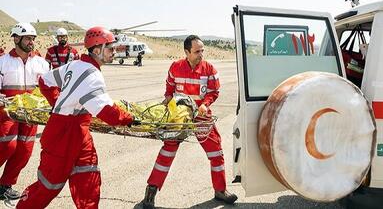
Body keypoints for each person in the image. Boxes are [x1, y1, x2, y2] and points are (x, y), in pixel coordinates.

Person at [17, 26, 138, 209]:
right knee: (49, 186)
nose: (114, 51)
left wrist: (58, 103)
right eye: (110, 48)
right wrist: (128, 118)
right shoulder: (92, 74)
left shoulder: (75, 65)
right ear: (97, 50)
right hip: (62, 137)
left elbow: (45, 81)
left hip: (79, 132)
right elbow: (107, 112)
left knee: (88, 179)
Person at [141, 35, 237, 208]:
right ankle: (151, 192)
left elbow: (214, 91)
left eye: (202, 50)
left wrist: (206, 104)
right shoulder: (175, 67)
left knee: (216, 152)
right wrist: (168, 101)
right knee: (167, 152)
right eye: (197, 51)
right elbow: (169, 88)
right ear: (186, 52)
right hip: (180, 116)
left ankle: (220, 191)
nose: (201, 54)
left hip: (201, 115)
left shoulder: (209, 69)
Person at [0, 23, 49, 200]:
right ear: (16, 38)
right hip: (7, 113)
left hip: (31, 115)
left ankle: (4, 186)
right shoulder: (3, 62)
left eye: (33, 39)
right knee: (7, 146)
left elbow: (49, 88)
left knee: (24, 150)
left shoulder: (41, 64)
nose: (31, 42)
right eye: (28, 38)